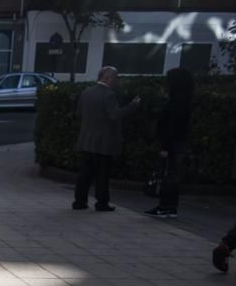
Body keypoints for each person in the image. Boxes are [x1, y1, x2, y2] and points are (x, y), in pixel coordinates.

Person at [73, 66, 141, 212]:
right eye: (115, 77)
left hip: (86, 139)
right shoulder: (109, 94)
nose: (116, 81)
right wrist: (132, 106)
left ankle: (79, 201)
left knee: (85, 173)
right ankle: (102, 202)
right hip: (103, 141)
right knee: (102, 174)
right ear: (107, 78)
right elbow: (115, 115)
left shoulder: (86, 92)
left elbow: (79, 113)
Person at [145, 68, 194, 219]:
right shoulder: (183, 99)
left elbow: (172, 125)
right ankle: (167, 205)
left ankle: (167, 205)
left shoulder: (177, 100)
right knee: (170, 174)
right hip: (177, 142)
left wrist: (165, 146)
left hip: (173, 143)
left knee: (168, 173)